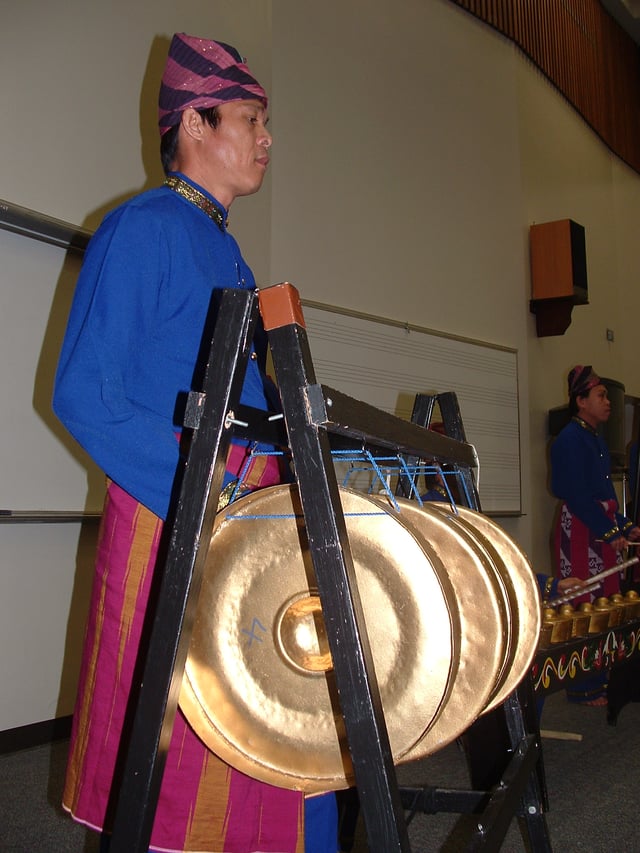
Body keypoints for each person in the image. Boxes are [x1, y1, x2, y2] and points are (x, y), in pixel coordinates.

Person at [53, 33, 337, 853]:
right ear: (195, 124)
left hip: (243, 521)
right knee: (177, 773)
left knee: (288, 742)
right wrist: (206, 483)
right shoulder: (141, 229)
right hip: (172, 523)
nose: (266, 138)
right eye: (252, 118)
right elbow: (86, 397)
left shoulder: (229, 249)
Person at [550, 364, 640, 705]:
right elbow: (577, 496)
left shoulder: (595, 439)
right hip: (581, 529)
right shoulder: (569, 440)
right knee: (585, 604)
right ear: (581, 401)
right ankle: (581, 686)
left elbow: (605, 497)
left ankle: (600, 679)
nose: (608, 402)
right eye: (600, 396)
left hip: (598, 526)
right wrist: (609, 530)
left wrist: (625, 525)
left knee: (606, 600)